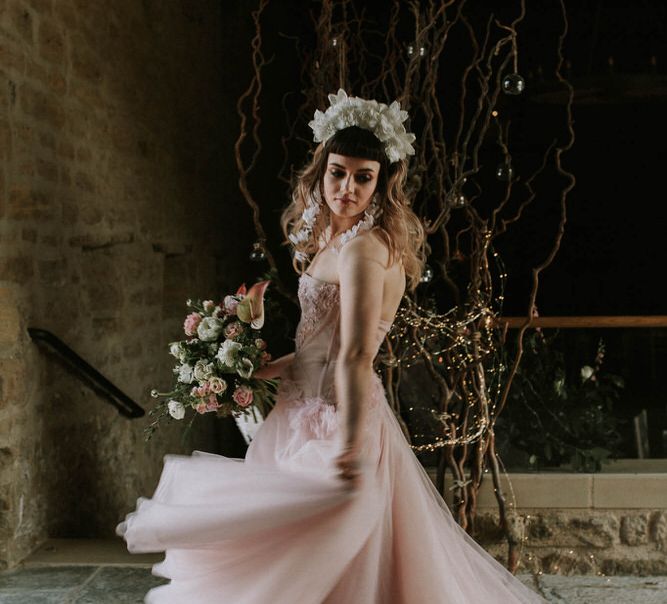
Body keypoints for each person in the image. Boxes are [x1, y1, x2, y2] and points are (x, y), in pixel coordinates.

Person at [117, 89, 546, 603]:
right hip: (301, 413)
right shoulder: (333, 241)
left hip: (336, 421)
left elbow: (357, 354)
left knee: (308, 562)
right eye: (338, 172)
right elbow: (318, 349)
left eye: (364, 177)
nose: (347, 187)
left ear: (382, 183)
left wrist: (345, 445)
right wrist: (249, 375)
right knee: (289, 558)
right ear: (320, 172)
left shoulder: (365, 249)